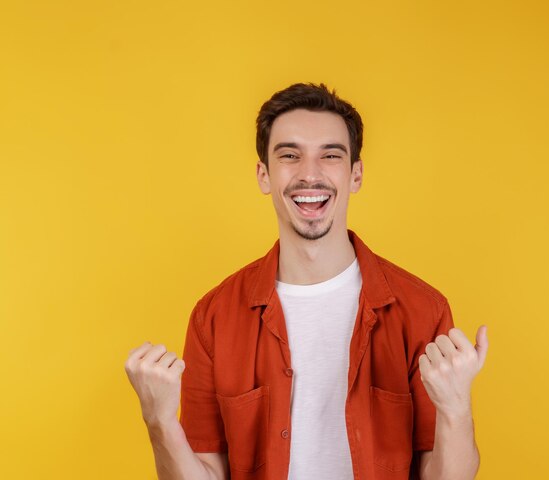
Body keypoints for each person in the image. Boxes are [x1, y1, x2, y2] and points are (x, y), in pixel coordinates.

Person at [125, 83, 488, 480]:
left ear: (356, 174)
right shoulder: (214, 317)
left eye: (330, 155)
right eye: (290, 155)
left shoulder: (423, 311)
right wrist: (158, 421)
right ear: (264, 175)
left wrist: (456, 409)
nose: (310, 174)